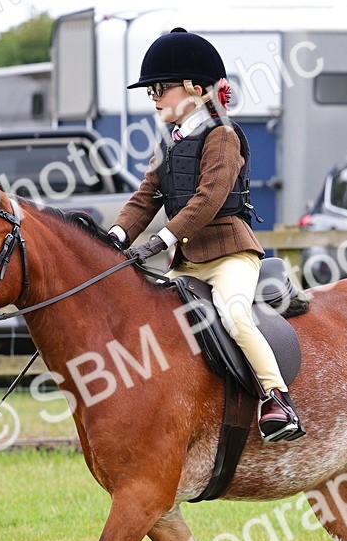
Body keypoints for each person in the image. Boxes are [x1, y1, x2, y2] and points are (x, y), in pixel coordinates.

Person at [108, 27, 304, 443]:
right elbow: (146, 197)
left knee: (234, 314)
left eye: (162, 87)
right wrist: (115, 237)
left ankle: (277, 398)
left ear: (196, 88)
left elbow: (209, 198)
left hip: (230, 255)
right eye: (152, 90)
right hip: (188, 263)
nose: (154, 96)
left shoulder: (223, 136)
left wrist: (162, 240)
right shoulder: (168, 143)